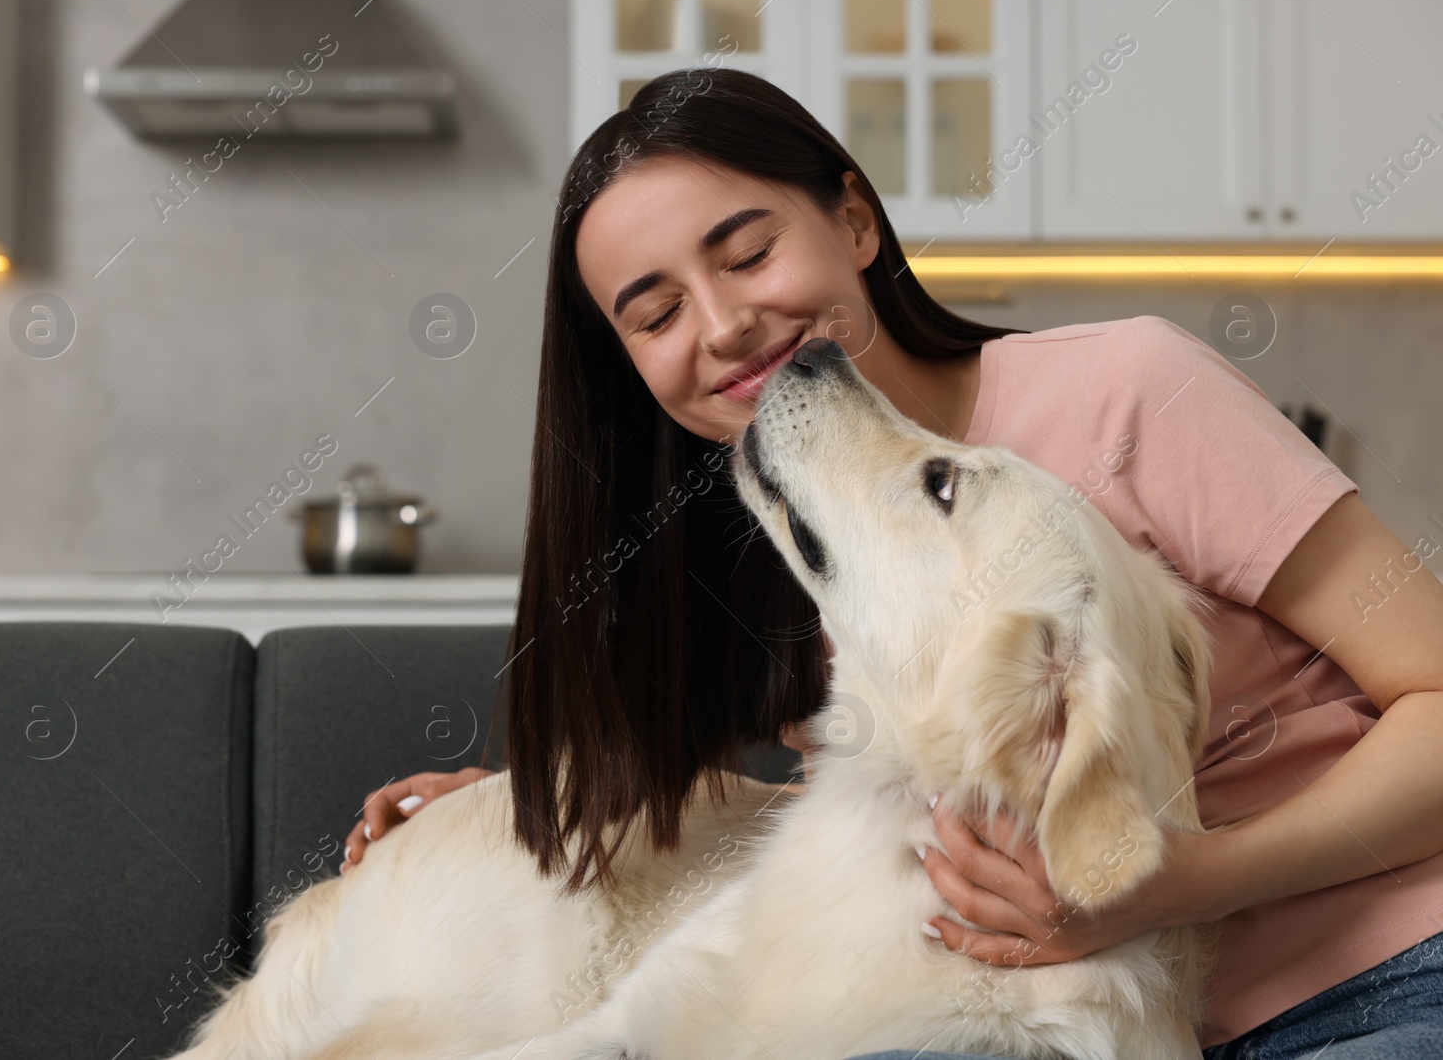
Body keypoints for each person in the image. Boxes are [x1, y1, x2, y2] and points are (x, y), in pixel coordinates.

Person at [339, 68, 1443, 1059]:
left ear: (855, 221)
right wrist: (538, 809)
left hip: (1393, 976)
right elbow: (867, 823)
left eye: (748, 252)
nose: (721, 324)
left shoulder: (1129, 393)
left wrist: (1179, 881)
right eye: (659, 311)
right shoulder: (790, 542)